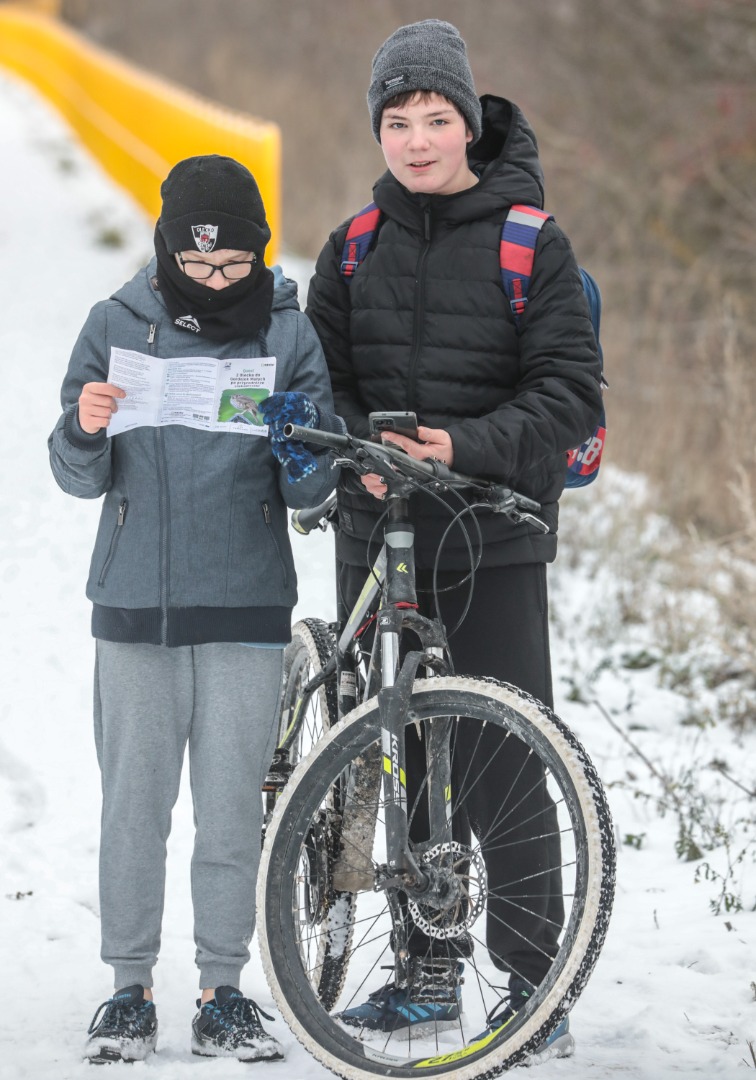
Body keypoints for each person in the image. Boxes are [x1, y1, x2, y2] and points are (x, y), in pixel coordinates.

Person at [306, 19, 603, 1058]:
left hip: (492, 534)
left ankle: (536, 979)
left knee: (502, 760)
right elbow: (320, 384)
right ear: (377, 129)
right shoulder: (351, 247)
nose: (418, 138)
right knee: (401, 752)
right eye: (398, 120)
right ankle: (429, 969)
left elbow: (569, 392)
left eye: (438, 118)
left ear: (469, 123)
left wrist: (460, 446)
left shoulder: (533, 243)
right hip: (378, 532)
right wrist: (363, 449)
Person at [49, 154, 343, 1064]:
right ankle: (127, 987)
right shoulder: (113, 324)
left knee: (228, 813)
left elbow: (312, 493)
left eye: (235, 267)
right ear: (168, 250)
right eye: (200, 264)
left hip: (246, 604)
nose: (218, 281)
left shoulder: (289, 337)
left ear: (256, 254)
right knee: (134, 807)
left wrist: (302, 448)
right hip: (135, 602)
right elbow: (71, 473)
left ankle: (224, 988)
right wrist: (85, 428)